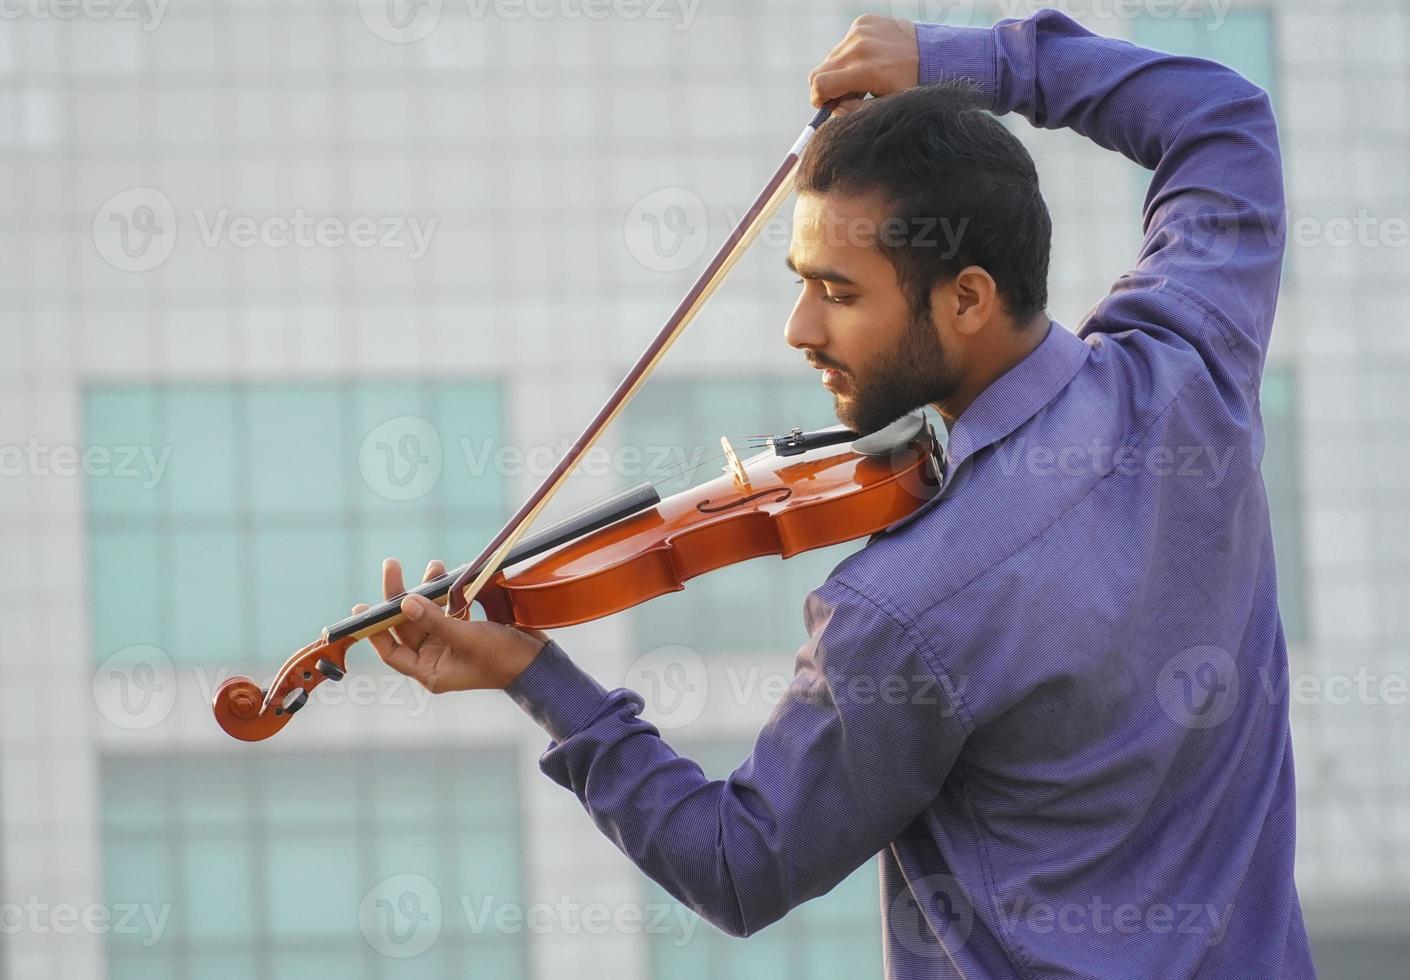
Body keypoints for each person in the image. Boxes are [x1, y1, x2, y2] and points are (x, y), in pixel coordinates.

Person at [359, 9, 1315, 977]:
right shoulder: (1190, 372)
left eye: (839, 292)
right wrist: (975, 63)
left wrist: (538, 676)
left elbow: (736, 862)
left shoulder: (903, 610)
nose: (798, 327)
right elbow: (1220, 119)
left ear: (968, 298)